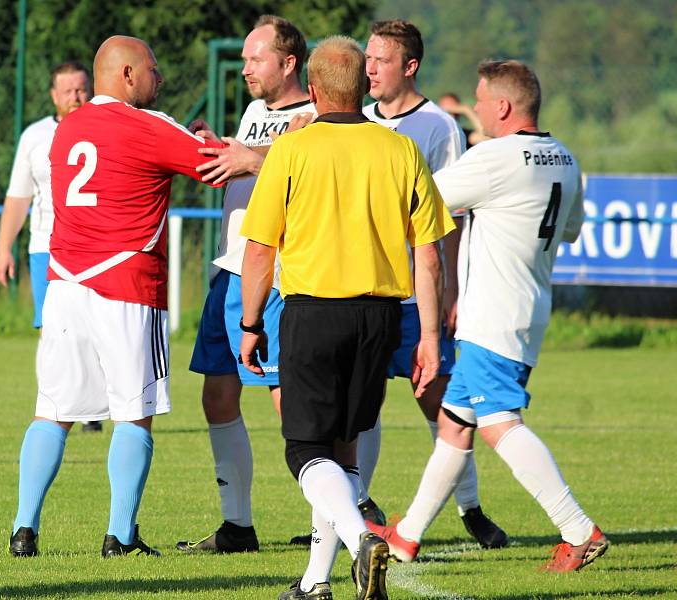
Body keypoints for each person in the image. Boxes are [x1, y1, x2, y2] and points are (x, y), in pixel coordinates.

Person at [365, 60, 609, 573]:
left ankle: (577, 528)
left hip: (493, 313)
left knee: (499, 421)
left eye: (479, 100)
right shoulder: (563, 156)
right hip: (529, 304)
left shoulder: (497, 157)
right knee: (456, 424)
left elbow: (418, 197)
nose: (474, 109)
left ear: (502, 106)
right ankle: (407, 536)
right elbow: (570, 231)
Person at [240, 36, 455, 600]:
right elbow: (429, 253)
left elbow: (260, 248)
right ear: (363, 86)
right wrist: (430, 335)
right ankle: (315, 582)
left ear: (311, 91)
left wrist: (249, 322)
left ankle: (363, 540)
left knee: (304, 449)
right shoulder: (400, 150)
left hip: (313, 313)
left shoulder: (292, 150)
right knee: (344, 447)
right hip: (381, 317)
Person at [7, 35, 224, 559]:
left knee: (52, 410)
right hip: (127, 287)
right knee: (134, 412)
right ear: (127, 74)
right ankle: (120, 535)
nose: (160, 78)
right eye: (153, 68)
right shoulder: (149, 125)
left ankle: (23, 529)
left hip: (64, 284)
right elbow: (216, 165)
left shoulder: (66, 130)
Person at [360, 19, 507, 549]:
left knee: (438, 402)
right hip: (366, 291)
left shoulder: (438, 126)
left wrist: (449, 292)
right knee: (363, 404)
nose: (370, 67)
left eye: (381, 59)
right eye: (368, 57)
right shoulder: (358, 120)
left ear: (410, 66)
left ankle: (471, 509)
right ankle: (358, 508)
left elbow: (450, 217)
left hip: (415, 296)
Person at [176, 15, 316, 554]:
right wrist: (219, 148)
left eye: (255, 60)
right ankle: (237, 526)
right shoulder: (258, 111)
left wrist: (250, 158)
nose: (245, 69)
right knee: (216, 395)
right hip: (229, 268)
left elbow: (300, 172)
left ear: (288, 63)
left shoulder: (312, 116)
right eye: (243, 60)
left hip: (277, 277)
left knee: (291, 403)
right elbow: (249, 164)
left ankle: (329, 519)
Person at [0, 61, 102, 433]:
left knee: (94, 327)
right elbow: (18, 197)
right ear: (54, 96)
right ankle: (56, 403)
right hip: (47, 248)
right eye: (68, 91)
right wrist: (3, 249)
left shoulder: (107, 129)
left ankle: (91, 406)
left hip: (96, 246)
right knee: (53, 330)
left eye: (81, 88)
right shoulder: (35, 136)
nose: (76, 97)